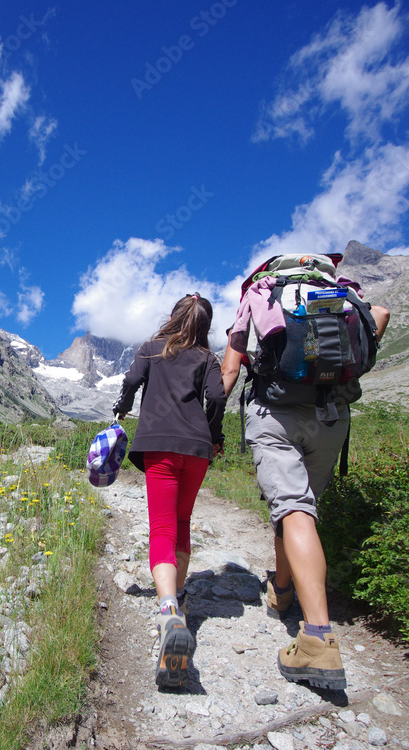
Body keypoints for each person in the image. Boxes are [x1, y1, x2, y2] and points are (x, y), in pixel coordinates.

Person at [221, 278, 389, 690]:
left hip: (276, 413)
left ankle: (317, 638)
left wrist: (208, 422)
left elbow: (230, 365)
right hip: (332, 416)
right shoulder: (342, 297)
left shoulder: (260, 297)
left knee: (293, 507)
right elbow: (380, 317)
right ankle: (282, 589)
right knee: (301, 508)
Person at [113, 294, 226, 688]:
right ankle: (179, 598)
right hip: (196, 449)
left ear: (175, 316)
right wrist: (214, 436)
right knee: (181, 520)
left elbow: (129, 382)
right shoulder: (207, 359)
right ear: (205, 325)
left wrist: (123, 407)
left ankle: (168, 613)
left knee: (161, 528)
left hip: (159, 444)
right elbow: (218, 397)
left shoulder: (150, 348)